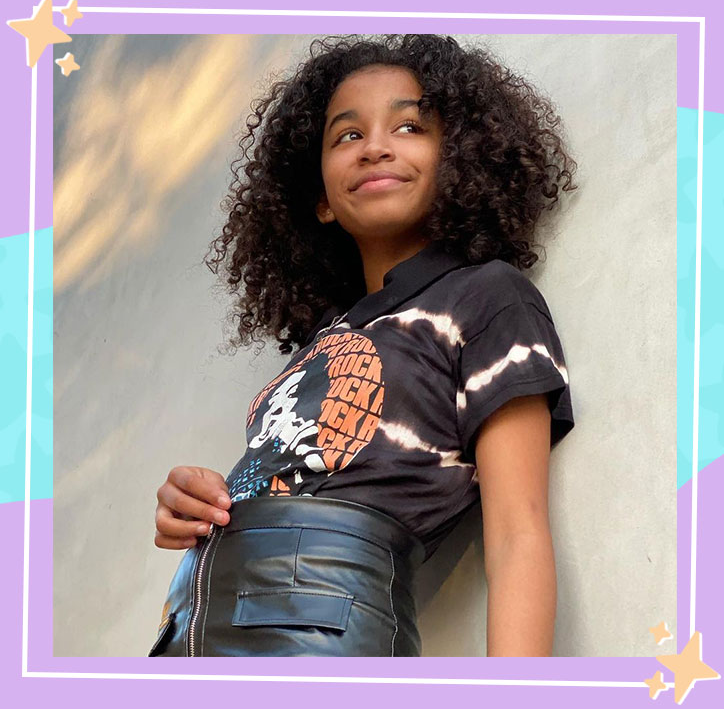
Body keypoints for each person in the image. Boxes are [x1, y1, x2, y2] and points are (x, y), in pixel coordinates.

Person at [149, 34, 577, 658]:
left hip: (316, 641)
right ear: (320, 198)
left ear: (458, 160)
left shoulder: (487, 298)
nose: (375, 146)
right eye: (347, 135)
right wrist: (197, 506)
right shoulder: (322, 344)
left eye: (409, 126)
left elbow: (518, 534)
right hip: (186, 636)